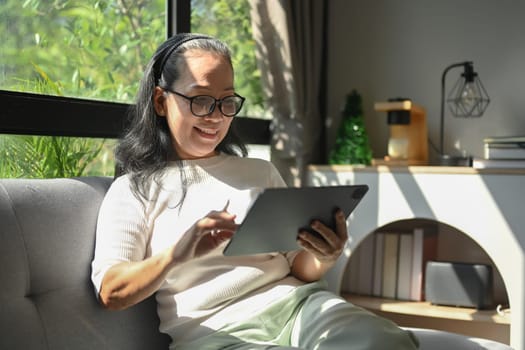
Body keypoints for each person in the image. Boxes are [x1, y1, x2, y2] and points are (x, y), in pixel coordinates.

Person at [91, 33, 418, 350]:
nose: (217, 116)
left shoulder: (260, 170)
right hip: (215, 334)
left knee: (386, 341)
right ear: (162, 101)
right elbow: (111, 291)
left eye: (227, 101)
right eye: (202, 99)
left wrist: (324, 255)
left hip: (298, 307)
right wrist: (177, 254)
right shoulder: (135, 189)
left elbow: (298, 267)